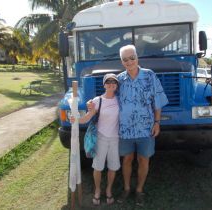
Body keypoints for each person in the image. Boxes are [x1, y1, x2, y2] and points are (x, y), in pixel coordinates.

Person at [116, 44, 168, 206]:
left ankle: (139, 190)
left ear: (137, 57)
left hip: (146, 128)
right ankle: (126, 188)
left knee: (143, 160)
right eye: (125, 59)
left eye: (132, 58)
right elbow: (109, 99)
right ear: (122, 61)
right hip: (125, 129)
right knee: (127, 159)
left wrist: (157, 122)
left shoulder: (149, 76)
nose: (129, 61)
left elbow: (157, 101)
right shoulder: (119, 80)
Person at [70, 73, 120, 206]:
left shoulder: (119, 100)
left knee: (113, 167)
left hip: (115, 139)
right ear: (104, 85)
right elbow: (87, 117)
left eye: (113, 82)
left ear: (116, 85)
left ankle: (108, 190)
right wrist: (76, 120)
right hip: (101, 137)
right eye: (108, 82)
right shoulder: (98, 100)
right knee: (98, 167)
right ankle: (97, 190)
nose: (111, 84)